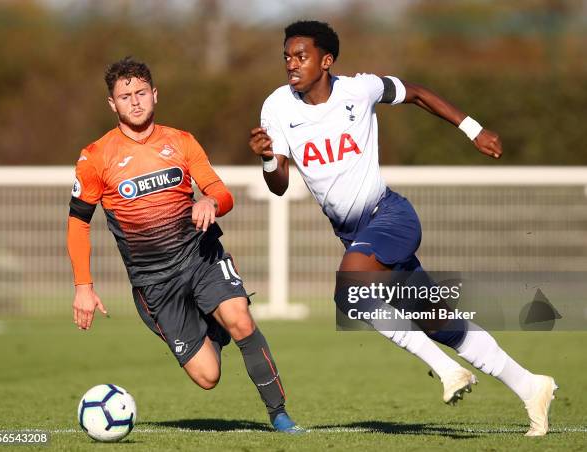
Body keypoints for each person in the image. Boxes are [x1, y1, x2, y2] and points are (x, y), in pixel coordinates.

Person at [249, 20, 556, 436]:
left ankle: (448, 371)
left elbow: (415, 92)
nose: (291, 64)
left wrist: (473, 129)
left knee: (349, 291)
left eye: (300, 56)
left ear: (326, 60)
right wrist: (268, 158)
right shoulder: (276, 107)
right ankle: (531, 385)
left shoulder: (360, 89)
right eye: (286, 56)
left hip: (390, 217)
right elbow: (279, 184)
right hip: (356, 234)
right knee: (439, 322)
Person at [67, 57, 302, 434]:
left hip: (201, 257)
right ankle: (215, 329)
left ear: (155, 94)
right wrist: (83, 286)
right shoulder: (95, 157)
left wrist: (209, 201)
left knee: (241, 318)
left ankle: (280, 415)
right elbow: (78, 222)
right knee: (208, 376)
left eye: (141, 92)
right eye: (125, 96)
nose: (135, 101)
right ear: (112, 104)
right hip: (155, 282)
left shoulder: (181, 141)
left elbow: (223, 194)